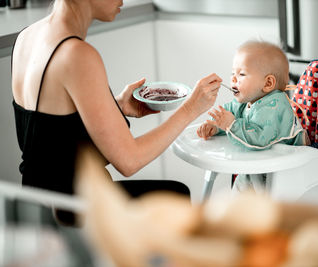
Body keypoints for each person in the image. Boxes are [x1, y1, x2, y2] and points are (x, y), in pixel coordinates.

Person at [11, 0, 222, 224]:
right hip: (70, 215)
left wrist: (116, 108)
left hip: (34, 208)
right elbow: (129, 161)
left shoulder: (27, 36)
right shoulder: (77, 55)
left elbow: (51, 145)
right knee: (175, 199)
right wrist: (191, 108)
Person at [197, 40, 309, 194]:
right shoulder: (250, 99)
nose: (234, 79)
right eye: (233, 73)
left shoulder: (275, 106)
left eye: (241, 74)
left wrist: (231, 125)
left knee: (243, 201)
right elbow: (231, 114)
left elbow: (259, 138)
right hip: (261, 166)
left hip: (284, 174)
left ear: (268, 83)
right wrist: (217, 126)